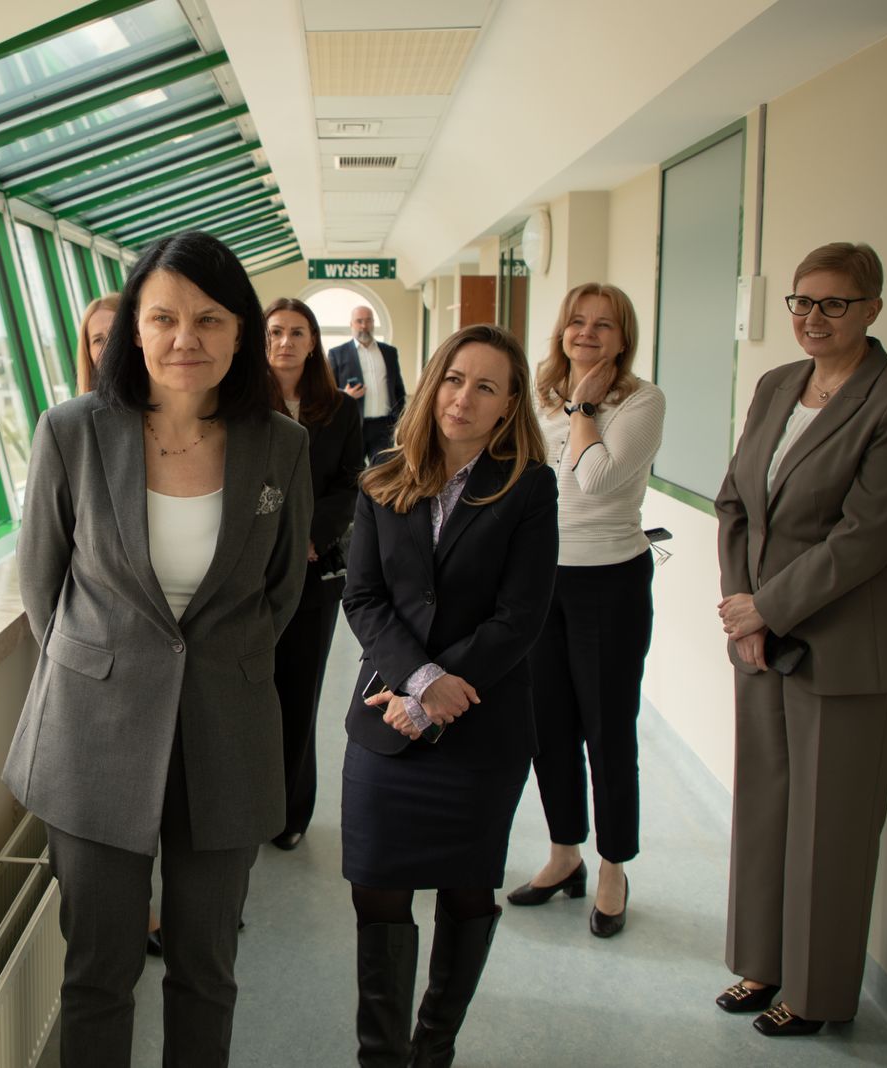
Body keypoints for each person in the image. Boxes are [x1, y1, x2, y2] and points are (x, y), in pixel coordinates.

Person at [3, 230, 311, 1067]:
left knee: (206, 970)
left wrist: (217, 664)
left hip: (228, 732)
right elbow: (43, 587)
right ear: (134, 329)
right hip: (94, 735)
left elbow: (280, 592)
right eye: (164, 318)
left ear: (241, 332)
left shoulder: (281, 444)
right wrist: (108, 669)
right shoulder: (73, 432)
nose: (185, 339)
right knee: (97, 972)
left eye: (210, 319)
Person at [714, 242, 887, 1038]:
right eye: (802, 301)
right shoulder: (778, 385)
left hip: (849, 642)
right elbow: (736, 501)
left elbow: (868, 533)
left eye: (835, 303)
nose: (813, 317)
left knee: (831, 828)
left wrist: (767, 609)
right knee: (766, 809)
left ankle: (816, 993)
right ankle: (761, 962)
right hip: (763, 635)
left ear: (872, 308)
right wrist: (742, 607)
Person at [340, 324, 556, 1067]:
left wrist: (433, 695)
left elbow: (520, 617)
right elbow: (364, 599)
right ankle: (381, 1058)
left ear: (508, 405)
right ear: (433, 384)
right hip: (386, 718)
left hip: (483, 730)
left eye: (486, 386)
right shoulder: (382, 476)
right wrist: (421, 683)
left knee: (466, 894)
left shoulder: (529, 486)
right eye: (455, 379)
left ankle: (434, 1050)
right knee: (376, 893)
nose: (464, 398)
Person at [507, 283, 665, 938]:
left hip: (609, 582)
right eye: (577, 321)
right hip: (540, 581)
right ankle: (565, 852)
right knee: (547, 727)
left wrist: (584, 407)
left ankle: (613, 866)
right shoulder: (537, 394)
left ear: (623, 338)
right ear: (561, 330)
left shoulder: (642, 400)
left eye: (604, 324)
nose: (588, 334)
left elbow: (593, 478)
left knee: (607, 729)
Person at [264, 297, 364, 850]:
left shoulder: (339, 409)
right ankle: (249, 807)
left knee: (299, 693)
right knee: (253, 696)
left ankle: (291, 813)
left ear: (312, 342)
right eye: (275, 331)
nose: (285, 342)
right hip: (250, 573)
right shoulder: (239, 404)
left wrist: (310, 537)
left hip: (313, 571)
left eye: (296, 332)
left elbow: (350, 483)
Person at [329, 304, 407, 461]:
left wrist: (400, 419)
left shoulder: (389, 352)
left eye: (368, 320)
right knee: (353, 469)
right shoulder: (337, 354)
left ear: (373, 323)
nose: (364, 326)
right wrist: (345, 395)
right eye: (359, 321)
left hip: (385, 425)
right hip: (353, 424)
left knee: (382, 470)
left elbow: (398, 388)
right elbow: (328, 391)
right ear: (351, 325)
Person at [75, 293, 120, 395]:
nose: (108, 347)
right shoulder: (83, 405)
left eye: (116, 334)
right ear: (88, 353)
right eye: (98, 340)